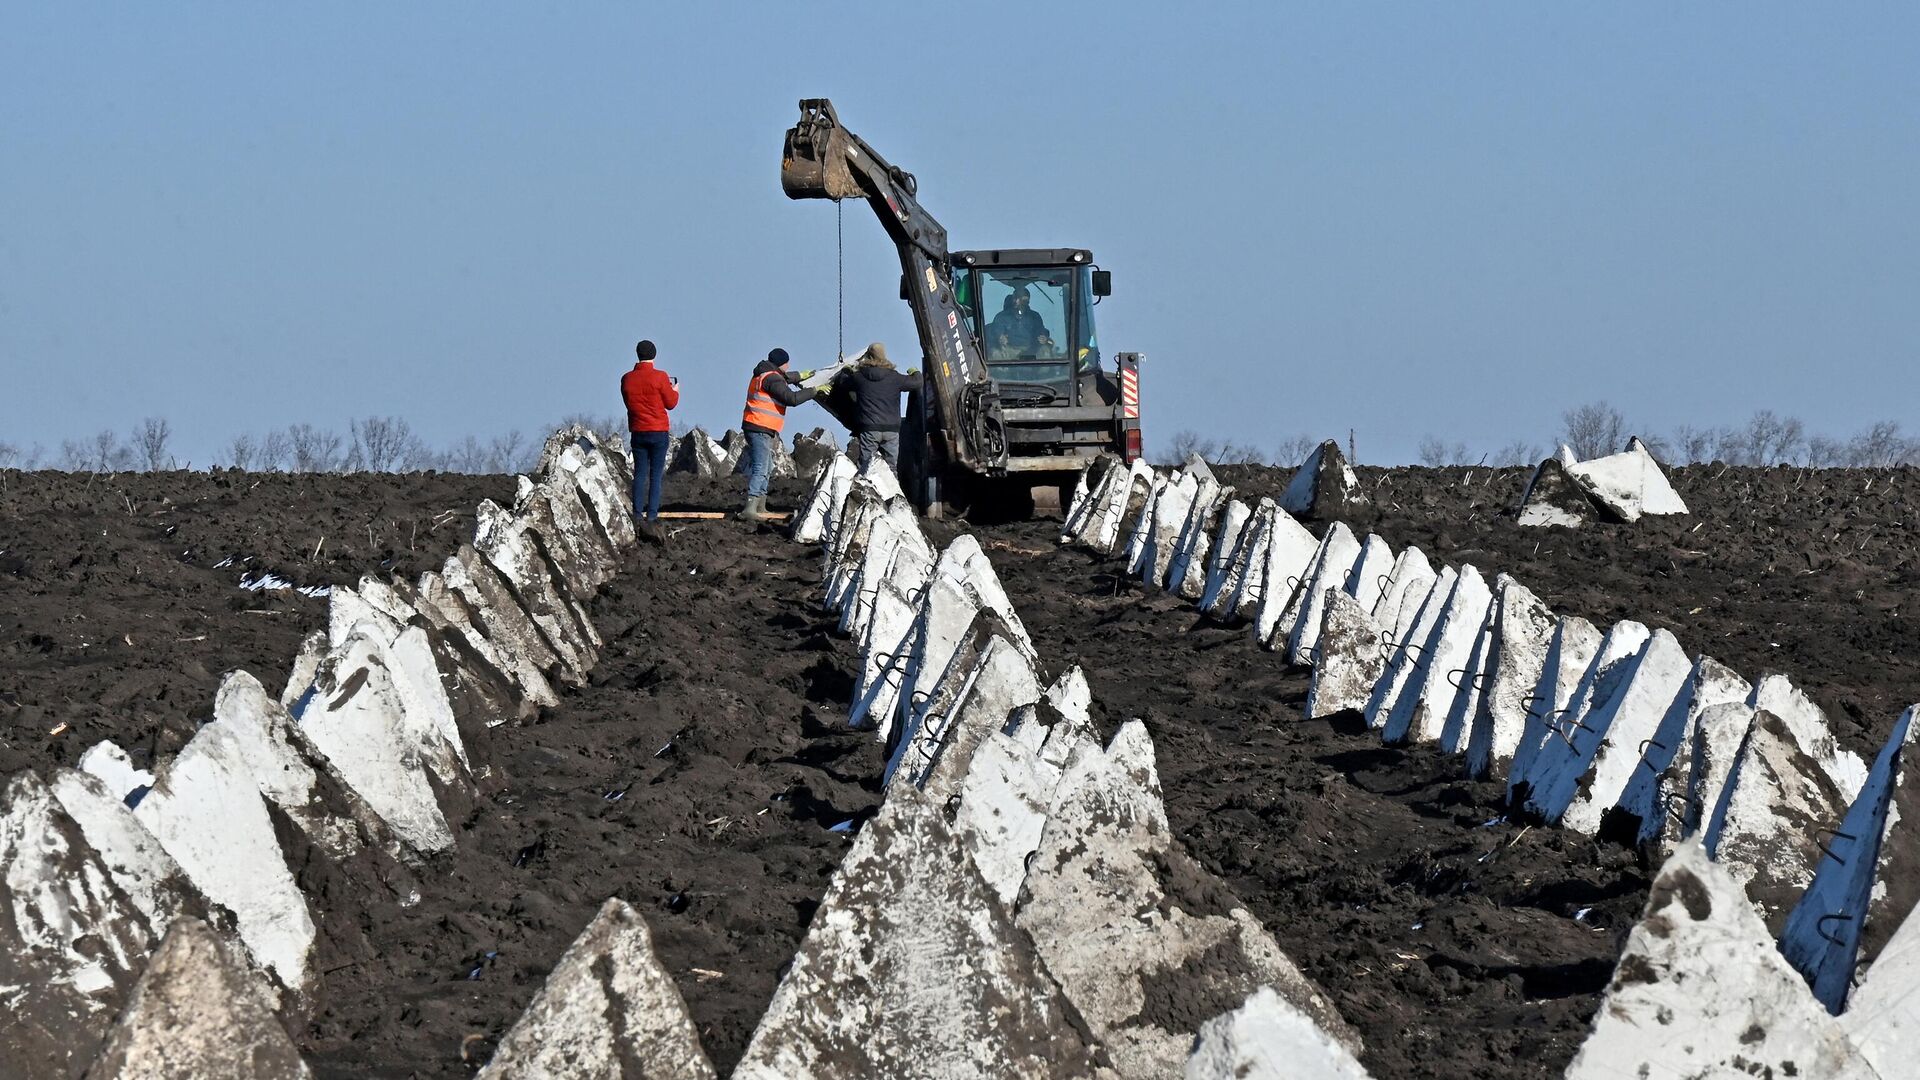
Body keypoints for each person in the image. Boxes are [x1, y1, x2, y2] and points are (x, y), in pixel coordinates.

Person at [738, 347, 821, 522]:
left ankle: (760, 505)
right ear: (781, 363)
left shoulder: (767, 373)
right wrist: (813, 391)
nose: (788, 365)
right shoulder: (771, 378)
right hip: (759, 426)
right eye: (787, 362)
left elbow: (785, 377)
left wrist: (802, 375)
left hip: (759, 426)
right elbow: (792, 398)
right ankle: (750, 507)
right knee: (761, 467)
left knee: (767, 467)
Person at [620, 339, 678, 540]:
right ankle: (652, 515)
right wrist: (675, 390)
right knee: (655, 475)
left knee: (640, 473)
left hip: (638, 430)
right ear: (654, 355)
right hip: (658, 430)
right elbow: (670, 403)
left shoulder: (627, 379)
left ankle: (637, 514)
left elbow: (628, 403)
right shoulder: (660, 377)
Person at [839, 342, 917, 472]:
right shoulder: (894, 377)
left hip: (869, 429)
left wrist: (846, 370)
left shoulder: (859, 377)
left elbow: (842, 383)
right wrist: (916, 372)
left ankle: (866, 491)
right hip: (891, 430)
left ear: (868, 357)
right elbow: (917, 383)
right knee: (891, 469)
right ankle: (892, 491)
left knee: (866, 468)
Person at [987, 285, 1048, 352]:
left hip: (1031, 350)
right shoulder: (1001, 317)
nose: (1016, 301)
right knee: (995, 353)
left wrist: (1043, 337)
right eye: (1014, 298)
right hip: (1009, 350)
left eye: (1019, 298)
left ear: (1026, 300)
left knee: (1045, 350)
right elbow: (997, 330)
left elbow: (1041, 331)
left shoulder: (1035, 317)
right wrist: (1000, 337)